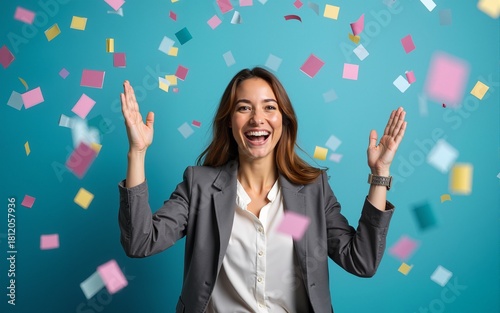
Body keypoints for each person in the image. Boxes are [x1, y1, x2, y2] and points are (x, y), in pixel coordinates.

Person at [118, 67, 407, 313]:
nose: (258, 118)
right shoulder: (200, 186)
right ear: (229, 122)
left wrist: (380, 174)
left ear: (283, 120)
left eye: (269, 107)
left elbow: (362, 261)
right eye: (244, 108)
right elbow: (141, 243)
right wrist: (137, 152)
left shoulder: (312, 189)